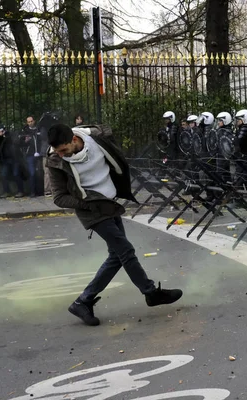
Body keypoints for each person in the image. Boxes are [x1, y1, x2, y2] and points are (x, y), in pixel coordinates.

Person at [46, 123, 183, 326]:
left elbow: (109, 138)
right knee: (125, 250)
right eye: (57, 151)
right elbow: (59, 197)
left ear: (74, 140)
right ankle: (151, 293)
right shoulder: (55, 162)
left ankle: (83, 301)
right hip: (92, 210)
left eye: (64, 150)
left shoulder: (95, 138)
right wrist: (87, 204)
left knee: (117, 256)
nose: (61, 154)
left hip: (110, 203)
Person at [0, 125, 25, 198]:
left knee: (16, 174)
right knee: (4, 175)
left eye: (2, 131)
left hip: (14, 158)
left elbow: (16, 142)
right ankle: (6, 191)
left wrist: (5, 135)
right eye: (0, 131)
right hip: (5, 159)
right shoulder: (0, 138)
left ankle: (20, 191)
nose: (1, 132)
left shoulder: (10, 135)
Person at [19, 116, 43, 197]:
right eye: (28, 122)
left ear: (34, 121)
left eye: (31, 121)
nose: (30, 123)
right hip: (30, 154)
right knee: (32, 173)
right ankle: (32, 192)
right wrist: (25, 141)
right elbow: (21, 143)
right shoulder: (25, 131)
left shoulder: (39, 129)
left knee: (39, 173)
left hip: (39, 154)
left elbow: (42, 140)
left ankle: (40, 191)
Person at [215, 111, 234, 185]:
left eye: (220, 120)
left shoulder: (226, 132)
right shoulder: (221, 130)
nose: (218, 122)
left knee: (220, 174)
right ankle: (230, 190)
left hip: (222, 156)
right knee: (226, 174)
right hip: (221, 155)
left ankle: (219, 192)